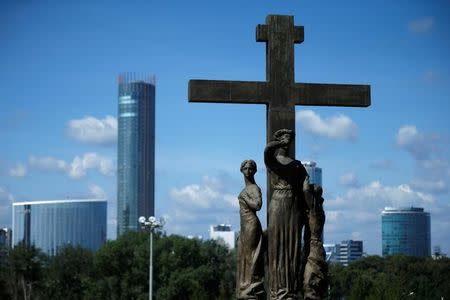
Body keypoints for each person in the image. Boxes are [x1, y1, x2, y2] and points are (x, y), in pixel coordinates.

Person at [264, 129, 309, 299]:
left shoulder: (297, 164)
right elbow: (267, 151)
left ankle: (290, 288)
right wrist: (277, 144)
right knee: (277, 244)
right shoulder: (273, 162)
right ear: (279, 140)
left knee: (292, 245)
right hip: (277, 204)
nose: (287, 142)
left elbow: (305, 186)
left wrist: (309, 206)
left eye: (289, 139)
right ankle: (276, 289)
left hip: (293, 205)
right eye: (285, 139)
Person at [237, 159, 265, 299]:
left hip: (252, 225)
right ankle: (246, 285)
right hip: (244, 227)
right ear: (241, 170)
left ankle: (252, 284)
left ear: (254, 171)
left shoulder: (254, 188)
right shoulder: (244, 190)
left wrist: (245, 198)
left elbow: (258, 205)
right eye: (245, 168)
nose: (248, 171)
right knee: (245, 256)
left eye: (250, 169)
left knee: (252, 255)